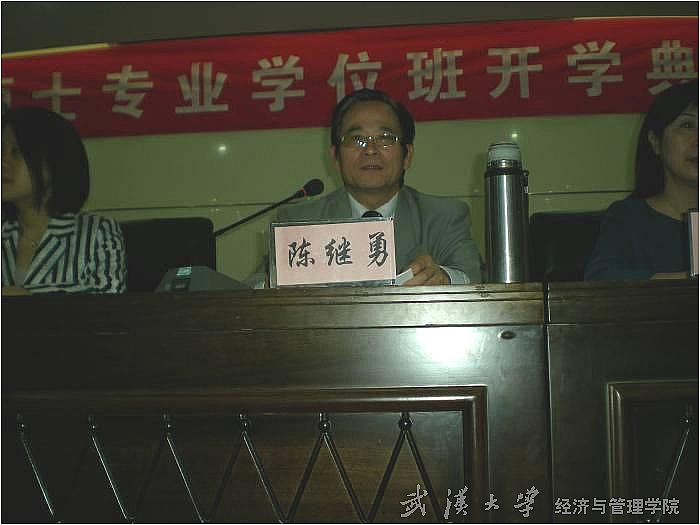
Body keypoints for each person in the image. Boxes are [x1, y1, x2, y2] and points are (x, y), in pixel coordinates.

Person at [249, 88, 482, 287]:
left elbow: (474, 278)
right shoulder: (298, 221)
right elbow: (252, 289)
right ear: (335, 157)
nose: (370, 150)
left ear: (407, 155)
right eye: (356, 139)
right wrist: (272, 284)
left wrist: (445, 279)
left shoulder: (443, 217)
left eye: (385, 138)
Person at [2, 106, 127, 294]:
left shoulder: (96, 232)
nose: (3, 162)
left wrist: (28, 299)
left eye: (16, 151)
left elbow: (111, 304)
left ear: (54, 161)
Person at [585, 81, 698, 281]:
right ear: (655, 141)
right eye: (687, 125)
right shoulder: (628, 218)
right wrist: (685, 282)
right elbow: (600, 279)